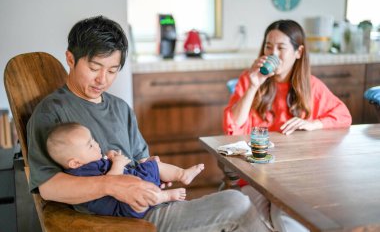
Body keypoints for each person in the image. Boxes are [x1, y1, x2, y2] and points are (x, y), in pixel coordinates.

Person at [27, 15, 271, 231]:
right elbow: (49, 188)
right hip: (118, 221)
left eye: (112, 71)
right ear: (70, 58)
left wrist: (155, 176)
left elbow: (142, 160)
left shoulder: (120, 108)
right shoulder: (51, 113)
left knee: (234, 200)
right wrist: (112, 186)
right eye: (94, 68)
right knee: (236, 205)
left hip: (150, 203)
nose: (102, 79)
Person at [223, 19, 352, 232]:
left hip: (296, 179)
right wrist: (254, 85)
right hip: (257, 177)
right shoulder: (250, 80)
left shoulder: (311, 87)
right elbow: (231, 129)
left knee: (282, 216)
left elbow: (343, 116)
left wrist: (314, 123)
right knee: (273, 217)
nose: (273, 53)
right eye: (268, 46)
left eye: (281, 48)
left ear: (298, 52)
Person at [46, 122, 205, 218]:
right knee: (140, 195)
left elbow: (106, 169)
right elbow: (111, 181)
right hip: (124, 206)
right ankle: (165, 196)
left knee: (153, 166)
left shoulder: (89, 162)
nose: (97, 145)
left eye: (93, 140)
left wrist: (110, 157)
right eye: (90, 145)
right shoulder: (80, 174)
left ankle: (182, 174)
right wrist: (118, 164)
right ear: (74, 163)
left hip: (133, 180)